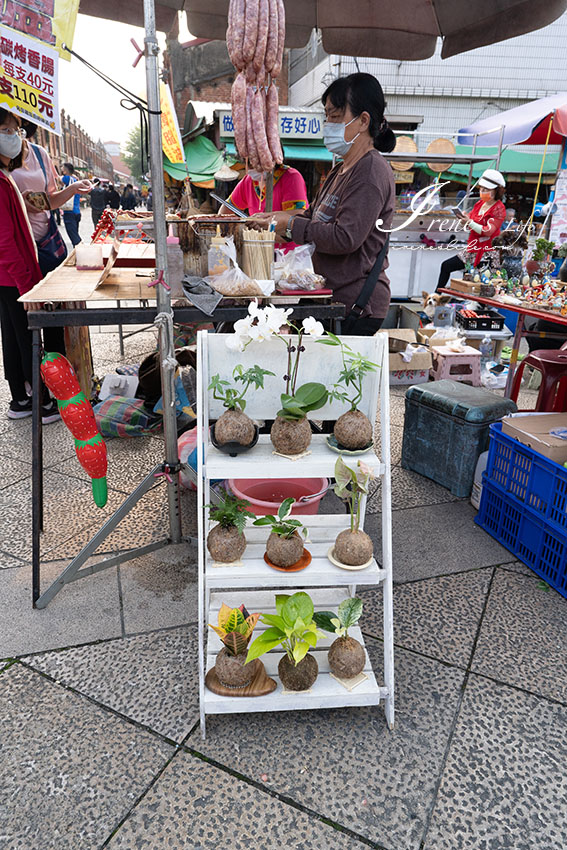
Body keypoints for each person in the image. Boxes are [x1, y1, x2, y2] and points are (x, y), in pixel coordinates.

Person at [253, 72, 396, 334]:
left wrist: (291, 224)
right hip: (330, 297)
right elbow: (314, 216)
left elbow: (345, 237)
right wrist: (276, 221)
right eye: (326, 115)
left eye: (335, 116)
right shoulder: (339, 170)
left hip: (356, 307)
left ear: (363, 120)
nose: (327, 123)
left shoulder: (370, 171)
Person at [0, 108, 59, 423]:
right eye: (7, 130)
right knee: (26, 338)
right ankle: (41, 402)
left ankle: (20, 399)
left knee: (11, 336)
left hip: (9, 278)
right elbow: (5, 243)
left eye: (17, 131)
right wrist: (27, 286)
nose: (14, 138)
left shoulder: (5, 177)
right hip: (14, 278)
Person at [11, 122, 91, 275]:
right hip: (15, 247)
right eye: (5, 128)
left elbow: (49, 201)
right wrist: (19, 204)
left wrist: (73, 188)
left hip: (46, 243)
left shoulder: (39, 154)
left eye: (16, 128)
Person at [436, 169, 507, 290]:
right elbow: (471, 224)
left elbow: (488, 230)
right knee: (447, 266)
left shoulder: (499, 208)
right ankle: (437, 295)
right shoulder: (479, 204)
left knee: (480, 284)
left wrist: (469, 222)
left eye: (487, 189)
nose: (482, 192)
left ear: (497, 191)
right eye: (481, 189)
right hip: (472, 249)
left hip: (487, 252)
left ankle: (475, 306)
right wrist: (464, 220)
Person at [220, 164, 308, 218]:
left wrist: (264, 219)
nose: (250, 167)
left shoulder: (291, 177)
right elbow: (227, 208)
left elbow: (297, 216)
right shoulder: (248, 180)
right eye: (248, 162)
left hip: (289, 247)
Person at [61, 162, 82, 246]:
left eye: (62, 169)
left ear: (65, 171)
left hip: (69, 212)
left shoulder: (66, 178)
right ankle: (77, 256)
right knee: (75, 235)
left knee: (75, 239)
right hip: (76, 212)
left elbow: (56, 178)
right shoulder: (76, 180)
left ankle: (83, 252)